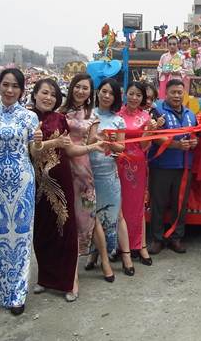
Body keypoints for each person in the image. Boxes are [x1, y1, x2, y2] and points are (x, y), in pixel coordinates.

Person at [31, 78, 104, 302]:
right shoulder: (27, 117)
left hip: (61, 179)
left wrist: (93, 146)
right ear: (35, 94)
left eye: (53, 95)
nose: (48, 98)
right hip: (36, 182)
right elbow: (32, 151)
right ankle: (46, 278)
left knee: (66, 229)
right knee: (43, 231)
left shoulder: (60, 118)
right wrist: (47, 144)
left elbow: (70, 149)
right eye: (44, 93)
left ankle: (70, 280)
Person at [0, 68, 39, 315]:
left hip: (23, 182)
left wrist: (39, 143)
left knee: (20, 236)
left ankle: (17, 293)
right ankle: (1, 290)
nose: (9, 90)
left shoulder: (29, 118)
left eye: (15, 86)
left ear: (21, 90)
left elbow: (34, 153)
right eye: (5, 85)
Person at [60, 74, 113, 281]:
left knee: (90, 215)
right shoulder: (60, 112)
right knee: (65, 218)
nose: (81, 91)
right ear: (72, 87)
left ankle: (105, 261)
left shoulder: (92, 116)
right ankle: (68, 266)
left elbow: (92, 141)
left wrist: (104, 140)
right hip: (62, 168)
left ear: (90, 93)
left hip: (82, 171)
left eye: (85, 88)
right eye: (78, 87)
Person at [86, 78, 134, 277]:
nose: (106, 96)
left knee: (116, 215)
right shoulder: (88, 116)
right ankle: (94, 254)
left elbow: (121, 148)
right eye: (104, 91)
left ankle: (126, 256)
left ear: (115, 97)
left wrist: (112, 144)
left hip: (109, 174)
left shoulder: (118, 119)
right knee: (92, 216)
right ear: (97, 93)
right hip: (87, 173)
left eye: (111, 93)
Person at [148, 79, 198, 254]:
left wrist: (194, 141)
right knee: (158, 204)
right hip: (161, 165)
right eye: (173, 92)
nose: (177, 95)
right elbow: (153, 136)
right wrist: (177, 145)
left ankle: (176, 238)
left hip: (184, 166)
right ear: (165, 94)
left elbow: (195, 135)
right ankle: (157, 238)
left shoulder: (191, 114)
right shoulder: (157, 112)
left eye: (179, 92)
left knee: (180, 204)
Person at [118, 82, 156, 266]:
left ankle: (140, 244)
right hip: (118, 164)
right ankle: (120, 245)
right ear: (125, 94)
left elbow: (144, 145)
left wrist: (150, 131)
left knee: (138, 205)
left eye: (138, 95)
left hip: (138, 164)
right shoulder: (116, 115)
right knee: (120, 205)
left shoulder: (145, 117)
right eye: (131, 94)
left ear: (142, 98)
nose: (134, 98)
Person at [157, 35, 184, 99]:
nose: (172, 46)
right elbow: (159, 67)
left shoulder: (182, 57)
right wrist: (163, 71)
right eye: (170, 44)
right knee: (164, 98)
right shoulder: (164, 56)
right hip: (165, 79)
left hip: (177, 80)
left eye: (174, 44)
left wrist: (179, 72)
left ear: (178, 45)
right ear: (167, 45)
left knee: (175, 97)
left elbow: (186, 70)